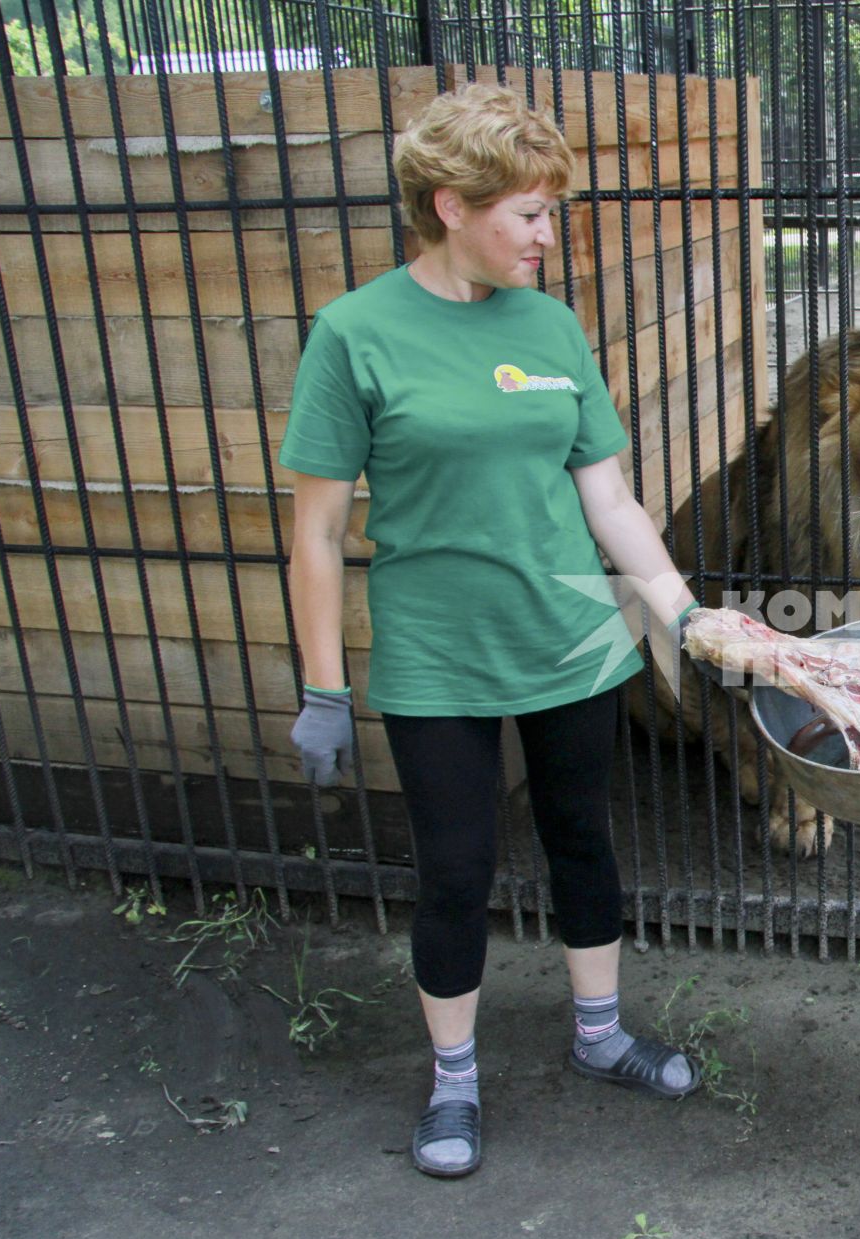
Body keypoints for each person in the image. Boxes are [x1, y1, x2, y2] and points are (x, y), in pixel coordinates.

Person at [282, 82, 709, 1179]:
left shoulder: (553, 324)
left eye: (549, 212)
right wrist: (325, 687)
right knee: (457, 870)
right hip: (439, 653)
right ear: (447, 206)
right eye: (527, 213)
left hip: (570, 638)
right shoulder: (355, 334)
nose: (546, 235)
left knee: (584, 838)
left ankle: (600, 1030)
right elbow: (319, 533)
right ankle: (456, 1077)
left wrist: (685, 613)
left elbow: (609, 498)